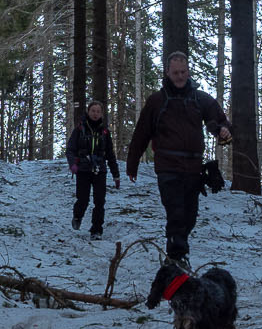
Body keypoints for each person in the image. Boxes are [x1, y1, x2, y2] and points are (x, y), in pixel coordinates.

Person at [125, 50, 231, 261]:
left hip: (193, 168)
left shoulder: (200, 99)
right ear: (167, 72)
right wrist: (132, 164)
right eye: (175, 73)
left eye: (183, 72)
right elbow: (141, 134)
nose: (180, 76)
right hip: (167, 166)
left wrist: (224, 130)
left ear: (188, 71)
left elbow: (219, 121)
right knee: (175, 212)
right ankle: (177, 257)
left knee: (190, 216)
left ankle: (175, 252)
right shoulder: (157, 101)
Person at [64, 100, 119, 237]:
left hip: (99, 169)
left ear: (102, 114)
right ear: (88, 112)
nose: (95, 114)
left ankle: (96, 229)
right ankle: (77, 216)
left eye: (98, 111)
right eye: (93, 111)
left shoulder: (105, 132)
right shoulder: (79, 129)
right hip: (83, 169)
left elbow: (110, 155)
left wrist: (116, 175)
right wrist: (73, 164)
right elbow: (70, 149)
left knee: (100, 201)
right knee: (83, 199)